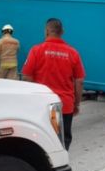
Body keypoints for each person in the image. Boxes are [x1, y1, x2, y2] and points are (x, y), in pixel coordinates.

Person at [22, 18, 85, 150]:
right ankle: (60, 161)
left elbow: (27, 77)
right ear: (62, 32)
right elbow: (79, 81)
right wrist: (76, 104)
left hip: (43, 104)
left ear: (46, 31)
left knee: (43, 140)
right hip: (64, 105)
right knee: (62, 141)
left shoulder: (36, 50)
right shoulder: (73, 52)